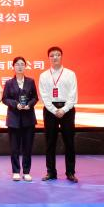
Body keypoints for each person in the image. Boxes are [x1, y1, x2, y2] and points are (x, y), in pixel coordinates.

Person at [39, 46, 79, 183]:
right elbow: (44, 95)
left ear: (61, 56)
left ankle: (70, 172)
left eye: (57, 55)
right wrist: (54, 110)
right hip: (50, 110)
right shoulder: (44, 75)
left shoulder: (70, 74)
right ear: (48, 58)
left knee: (69, 142)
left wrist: (64, 109)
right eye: (52, 55)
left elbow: (73, 94)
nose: (55, 57)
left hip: (67, 110)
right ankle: (51, 172)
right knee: (50, 142)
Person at [2, 57, 38, 181]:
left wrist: (30, 105)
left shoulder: (30, 81)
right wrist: (15, 104)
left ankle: (26, 171)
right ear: (13, 66)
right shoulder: (9, 83)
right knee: (14, 148)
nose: (20, 67)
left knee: (27, 147)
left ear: (25, 66)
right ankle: (16, 171)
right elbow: (5, 99)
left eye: (22, 64)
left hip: (28, 118)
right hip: (14, 119)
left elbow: (35, 97)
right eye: (17, 64)